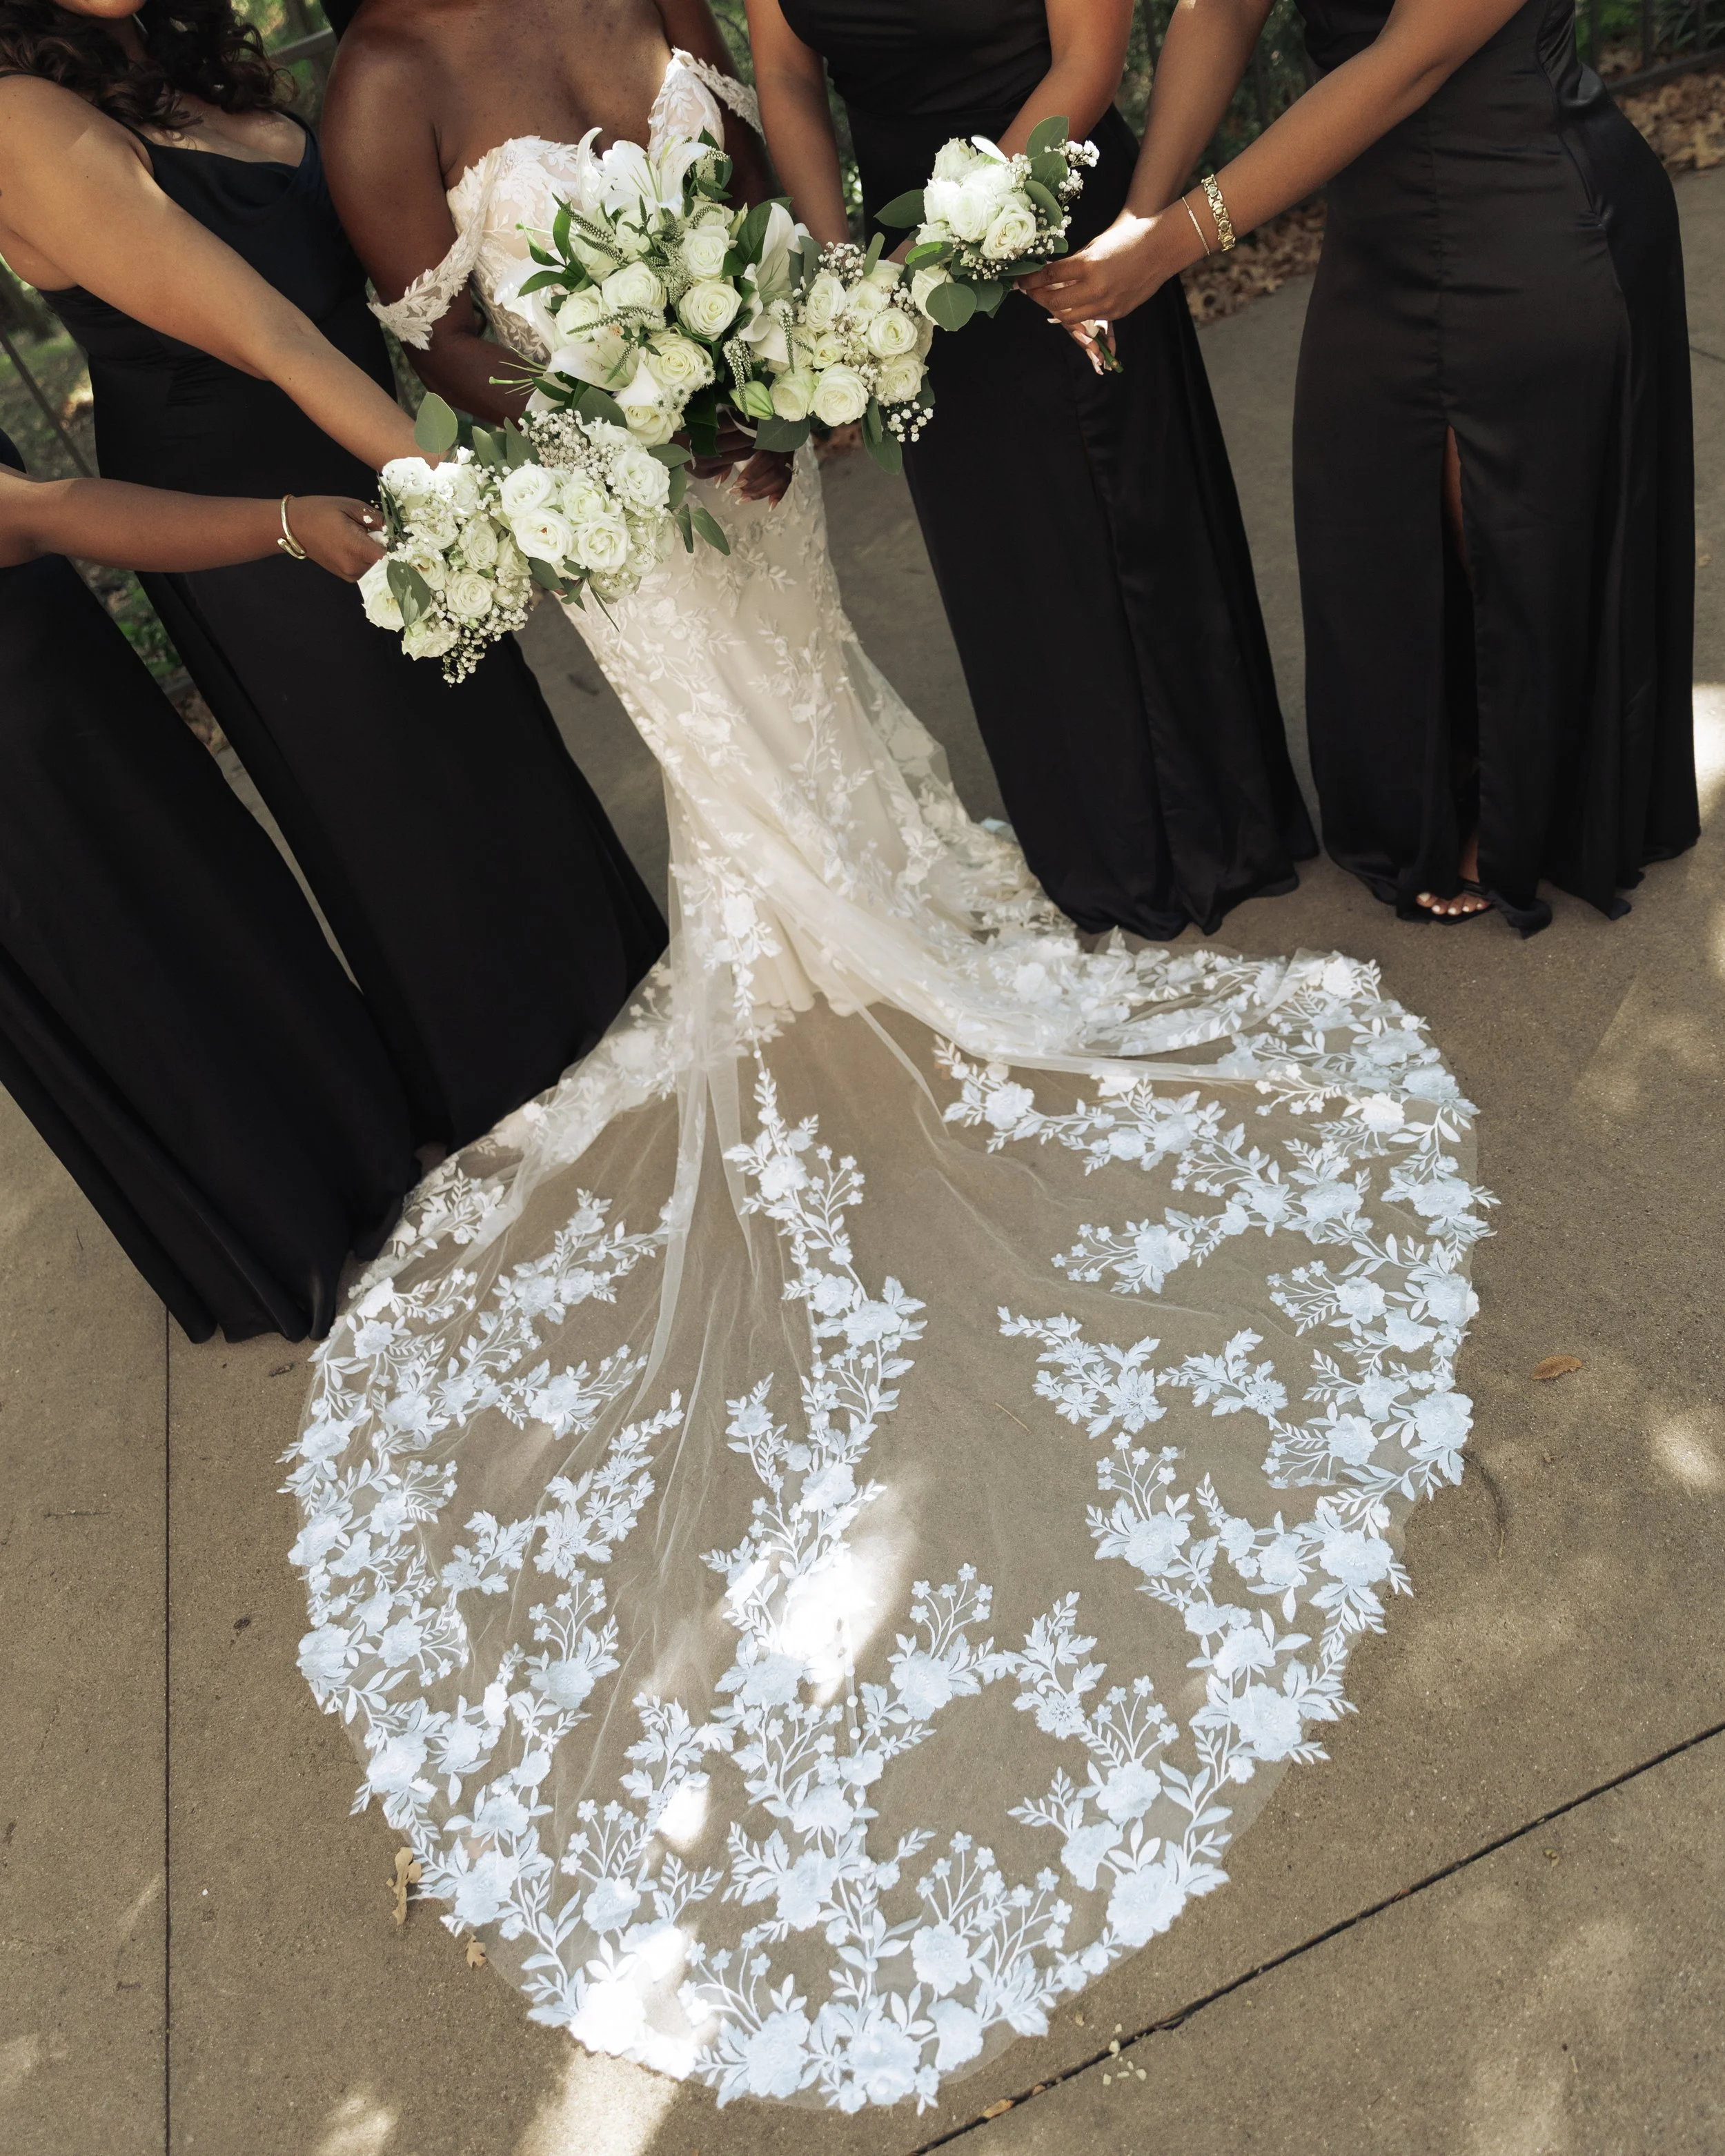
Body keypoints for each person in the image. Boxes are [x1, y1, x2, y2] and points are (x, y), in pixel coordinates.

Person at [283, 3, 1488, 2114]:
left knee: (825, 715)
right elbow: (441, 346)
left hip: (746, 460)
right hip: (620, 502)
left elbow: (750, 171)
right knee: (739, 767)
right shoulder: (379, 88)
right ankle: (812, 977)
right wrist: (624, 421)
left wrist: (759, 362)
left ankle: (888, 939)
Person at [0, 0, 667, 1152]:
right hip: (262, 514)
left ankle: (627, 1016)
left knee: (499, 754)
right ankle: (539, 1103)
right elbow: (273, 336)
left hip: (372, 445)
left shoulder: (172, 54)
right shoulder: (18, 116)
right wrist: (491, 502)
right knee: (414, 814)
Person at [1030, 0, 1697, 931]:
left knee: (1502, 537)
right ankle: (1445, 790)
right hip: (1380, 232)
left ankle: (1517, 810)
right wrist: (1138, 219)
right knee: (1373, 526)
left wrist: (1174, 244)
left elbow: (1408, 63)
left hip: (1528, 203)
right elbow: (1218, 10)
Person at [744, 0, 1316, 940]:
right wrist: (846, 269)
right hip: (901, 254)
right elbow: (788, 76)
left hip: (1057, 206)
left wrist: (935, 246)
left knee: (1126, 522)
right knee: (1000, 553)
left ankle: (1213, 833)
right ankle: (1090, 848)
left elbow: (1086, 64)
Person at [0, 431, 415, 1342]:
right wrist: (284, 524)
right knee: (154, 948)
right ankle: (308, 1186)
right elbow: (45, 510)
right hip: (33, 743)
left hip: (48, 689)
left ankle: (273, 1201)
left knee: (138, 960)